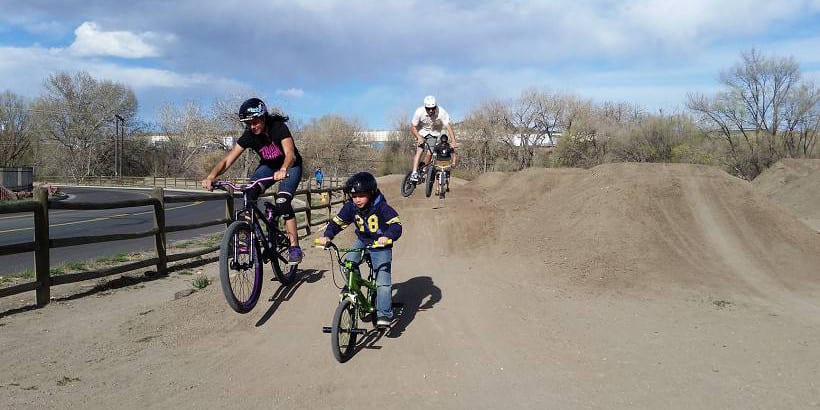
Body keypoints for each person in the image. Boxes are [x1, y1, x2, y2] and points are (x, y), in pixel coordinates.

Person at [202, 97, 305, 264]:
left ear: (263, 117)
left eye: (255, 122)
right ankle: (249, 236)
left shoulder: (278, 128)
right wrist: (211, 176)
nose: (252, 126)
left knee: (283, 201)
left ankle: (294, 247)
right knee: (248, 194)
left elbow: (290, 154)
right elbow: (227, 160)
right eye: (248, 123)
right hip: (269, 167)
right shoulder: (249, 136)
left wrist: (284, 169)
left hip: (290, 166)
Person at [316, 172, 402, 327]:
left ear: (371, 193)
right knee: (347, 263)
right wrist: (328, 236)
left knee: (383, 281)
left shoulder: (382, 207)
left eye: (361, 196)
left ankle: (384, 314)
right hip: (363, 241)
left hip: (380, 245)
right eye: (354, 196)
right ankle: (353, 285)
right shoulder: (351, 207)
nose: (357, 200)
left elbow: (396, 225)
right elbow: (337, 222)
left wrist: (388, 236)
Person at [409, 95, 457, 182]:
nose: (431, 110)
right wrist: (419, 137)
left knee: (430, 153)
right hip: (421, 132)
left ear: (436, 106)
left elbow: (448, 127)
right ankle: (414, 172)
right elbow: (412, 127)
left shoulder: (441, 112)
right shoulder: (419, 112)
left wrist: (453, 141)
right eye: (428, 108)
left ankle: (423, 170)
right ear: (425, 107)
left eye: (433, 108)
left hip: (433, 133)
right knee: (420, 150)